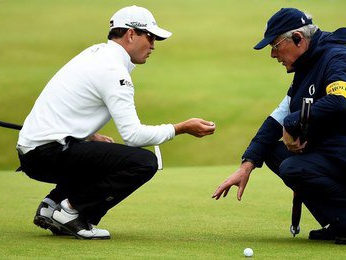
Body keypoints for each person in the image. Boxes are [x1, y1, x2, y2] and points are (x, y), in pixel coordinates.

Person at [17, 5, 216, 239]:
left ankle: (52, 205)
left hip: (35, 152)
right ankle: (73, 212)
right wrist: (180, 128)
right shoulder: (114, 70)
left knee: (106, 153)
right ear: (131, 34)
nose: (153, 45)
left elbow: (68, 107)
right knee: (144, 162)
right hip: (48, 154)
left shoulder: (94, 54)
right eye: (150, 37)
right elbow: (134, 137)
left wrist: (89, 137)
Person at [212, 8, 346, 245]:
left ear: (297, 39)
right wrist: (248, 164)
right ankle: (344, 222)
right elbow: (278, 118)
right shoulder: (307, 68)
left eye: (275, 45)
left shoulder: (339, 58)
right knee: (276, 153)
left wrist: (293, 124)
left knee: (294, 168)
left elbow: (338, 102)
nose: (273, 54)